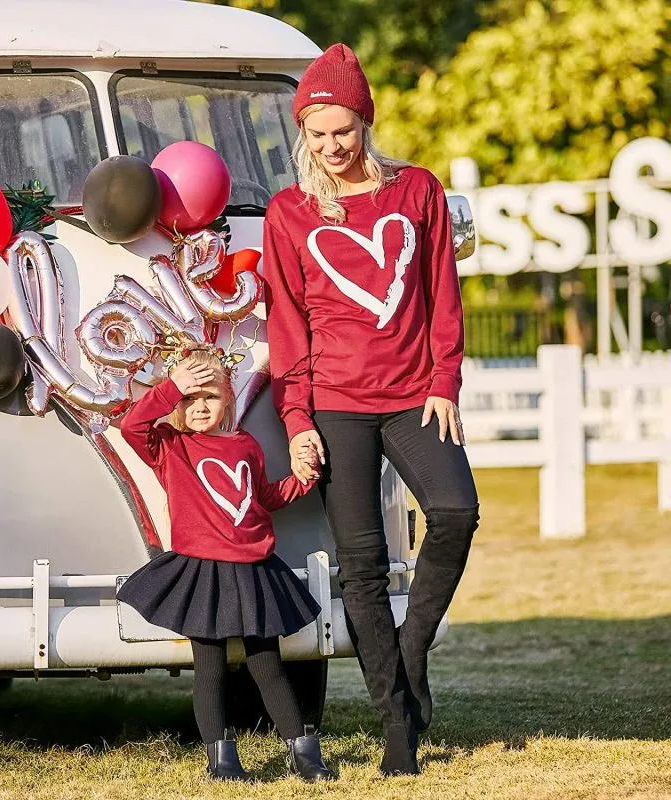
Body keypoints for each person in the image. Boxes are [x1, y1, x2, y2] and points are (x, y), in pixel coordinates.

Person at [263, 43, 480, 776]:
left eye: (343, 132)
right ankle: (397, 725)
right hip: (335, 406)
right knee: (360, 567)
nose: (331, 148)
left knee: (454, 511)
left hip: (415, 395)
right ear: (303, 135)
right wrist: (297, 421)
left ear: (366, 123)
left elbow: (442, 295)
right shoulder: (289, 213)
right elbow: (288, 325)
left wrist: (444, 381)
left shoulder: (417, 191)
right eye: (317, 135)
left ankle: (411, 650)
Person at [115, 345, 334, 783]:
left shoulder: (245, 445)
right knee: (210, 668)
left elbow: (261, 499)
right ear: (177, 403)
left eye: (210, 397)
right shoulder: (170, 447)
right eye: (189, 399)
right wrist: (172, 385)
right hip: (203, 573)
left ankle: (303, 751)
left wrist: (300, 481)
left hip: (252, 568)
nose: (199, 407)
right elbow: (130, 425)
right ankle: (222, 758)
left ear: (228, 400)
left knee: (267, 665)